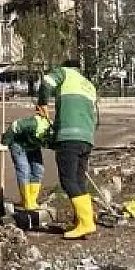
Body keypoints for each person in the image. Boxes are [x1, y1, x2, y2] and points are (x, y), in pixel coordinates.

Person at [36, 58, 99, 240]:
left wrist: (42, 104)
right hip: (86, 139)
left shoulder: (65, 73)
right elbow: (96, 118)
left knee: (68, 181)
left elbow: (46, 83)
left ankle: (86, 223)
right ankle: (85, 222)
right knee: (79, 181)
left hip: (69, 137)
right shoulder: (89, 85)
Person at [0, 112, 52, 227]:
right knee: (24, 170)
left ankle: (32, 200)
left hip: (33, 145)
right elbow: (14, 126)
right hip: (18, 143)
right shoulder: (31, 125)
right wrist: (4, 143)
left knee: (38, 170)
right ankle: (27, 201)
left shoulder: (51, 130)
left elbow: (53, 144)